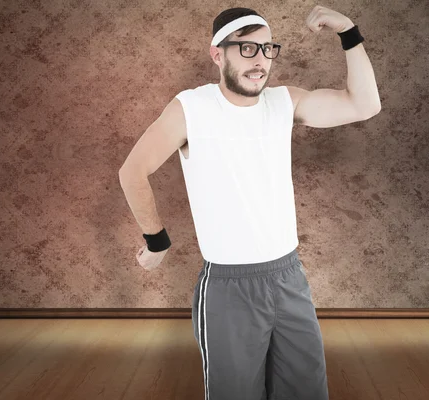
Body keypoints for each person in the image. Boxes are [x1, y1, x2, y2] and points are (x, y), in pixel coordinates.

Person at [119, 6, 379, 400]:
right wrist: (157, 241)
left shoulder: (283, 102)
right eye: (246, 49)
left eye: (266, 49)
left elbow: (365, 105)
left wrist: (348, 32)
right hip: (228, 288)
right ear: (217, 54)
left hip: (289, 277)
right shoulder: (191, 108)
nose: (259, 61)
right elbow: (133, 170)